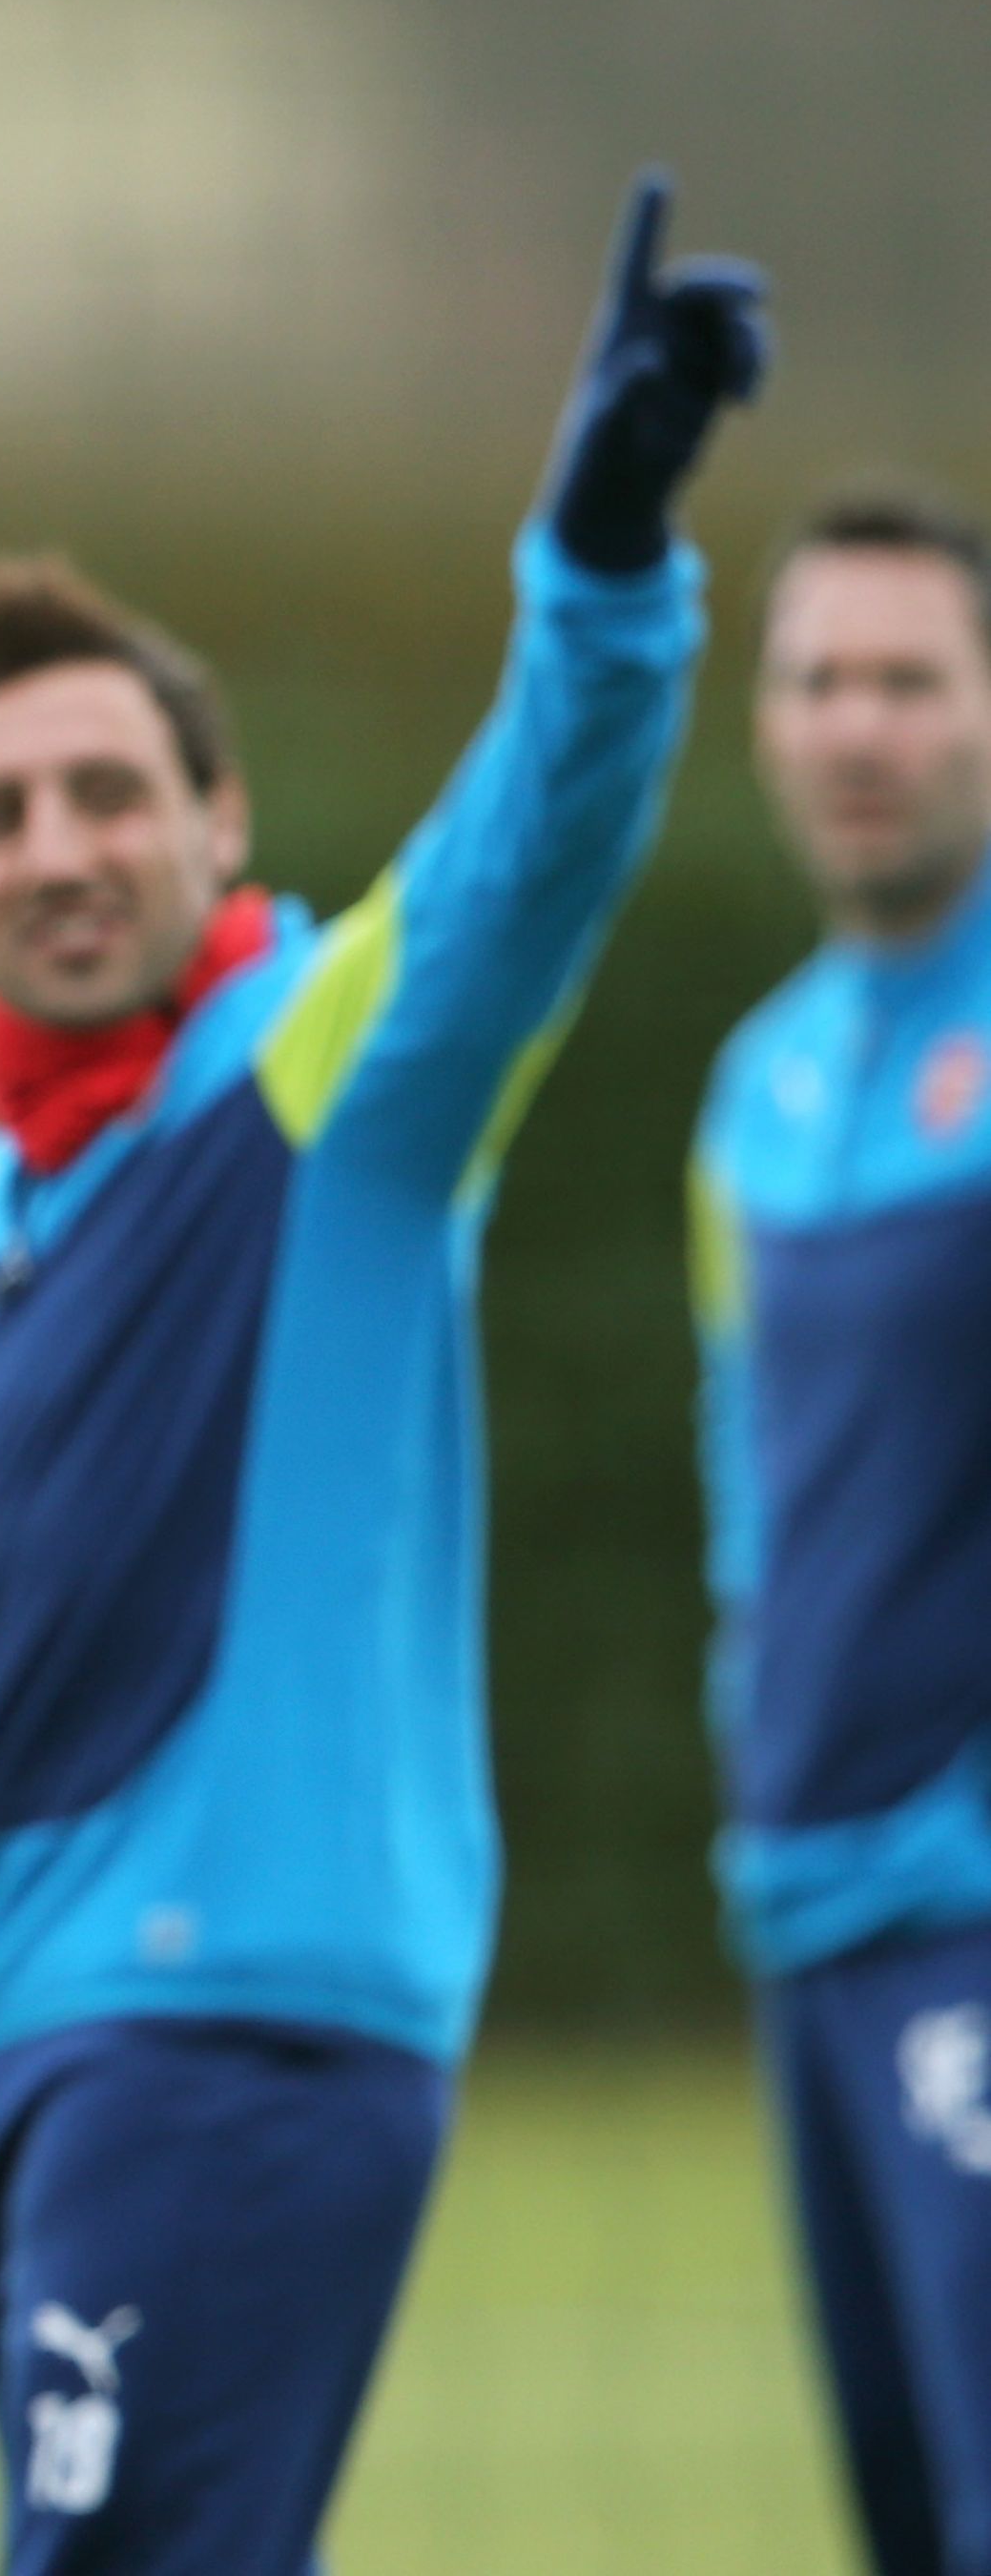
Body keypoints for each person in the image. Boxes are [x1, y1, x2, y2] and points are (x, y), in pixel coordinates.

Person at [0, 175, 762, 2572]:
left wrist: (601, 568)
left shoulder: (319, 1076)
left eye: (108, 794)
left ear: (219, 819)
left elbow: (521, 859)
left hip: (236, 2024)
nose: (58, 848)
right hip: (25, 2029)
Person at [695, 483, 991, 2576]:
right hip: (808, 1912)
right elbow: (753, 1490)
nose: (858, 725)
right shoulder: (761, 1082)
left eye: (909, 678)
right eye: (817, 681)